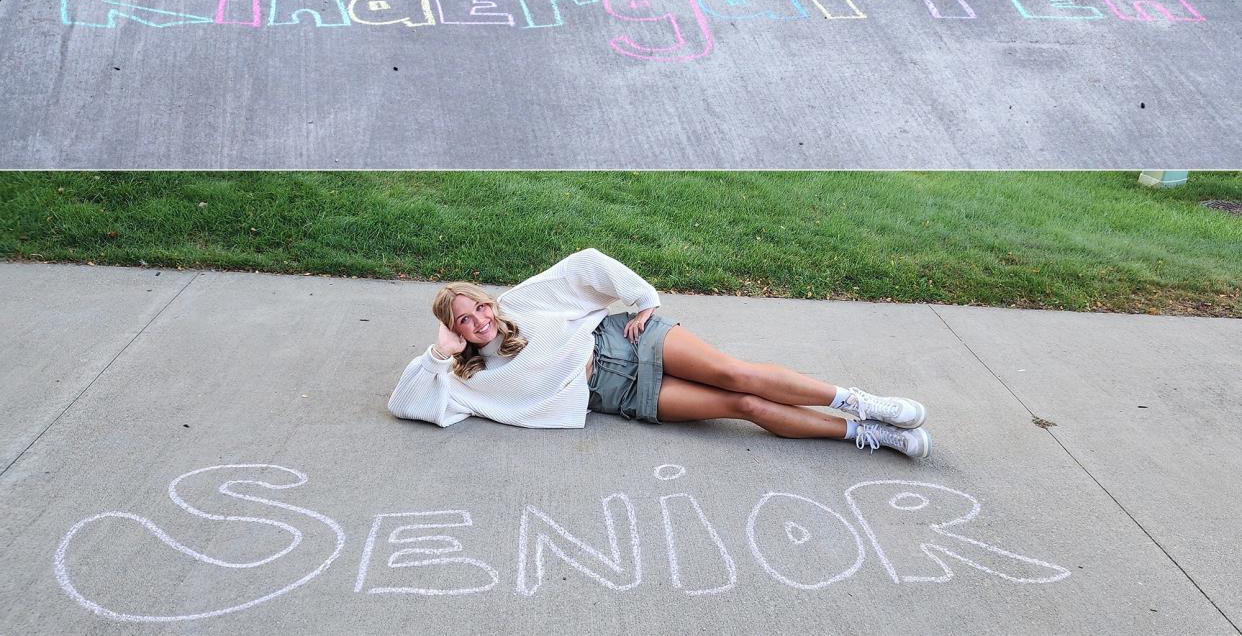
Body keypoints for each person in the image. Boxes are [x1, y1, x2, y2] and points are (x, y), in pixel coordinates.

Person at [388, 248, 931, 458]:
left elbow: (585, 263)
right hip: (615, 392)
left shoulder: (519, 305)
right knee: (742, 407)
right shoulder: (464, 376)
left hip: (622, 338)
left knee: (733, 372)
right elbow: (405, 403)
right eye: (464, 320)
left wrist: (642, 299)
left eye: (479, 308)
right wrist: (440, 355)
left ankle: (860, 402)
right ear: (453, 330)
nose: (480, 320)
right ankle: (869, 435)